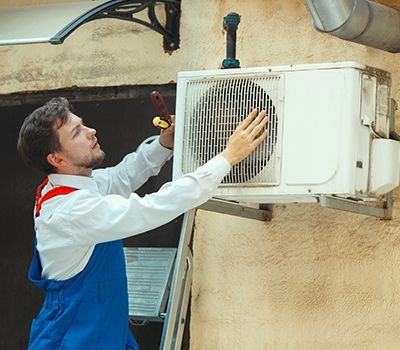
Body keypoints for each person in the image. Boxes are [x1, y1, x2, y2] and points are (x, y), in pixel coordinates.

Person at [17, 97, 268, 350]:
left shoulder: (72, 187)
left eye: (83, 125)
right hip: (75, 337)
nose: (91, 131)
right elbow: (151, 208)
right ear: (57, 160)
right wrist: (226, 158)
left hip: (104, 328)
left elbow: (121, 176)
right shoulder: (71, 211)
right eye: (77, 133)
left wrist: (163, 144)